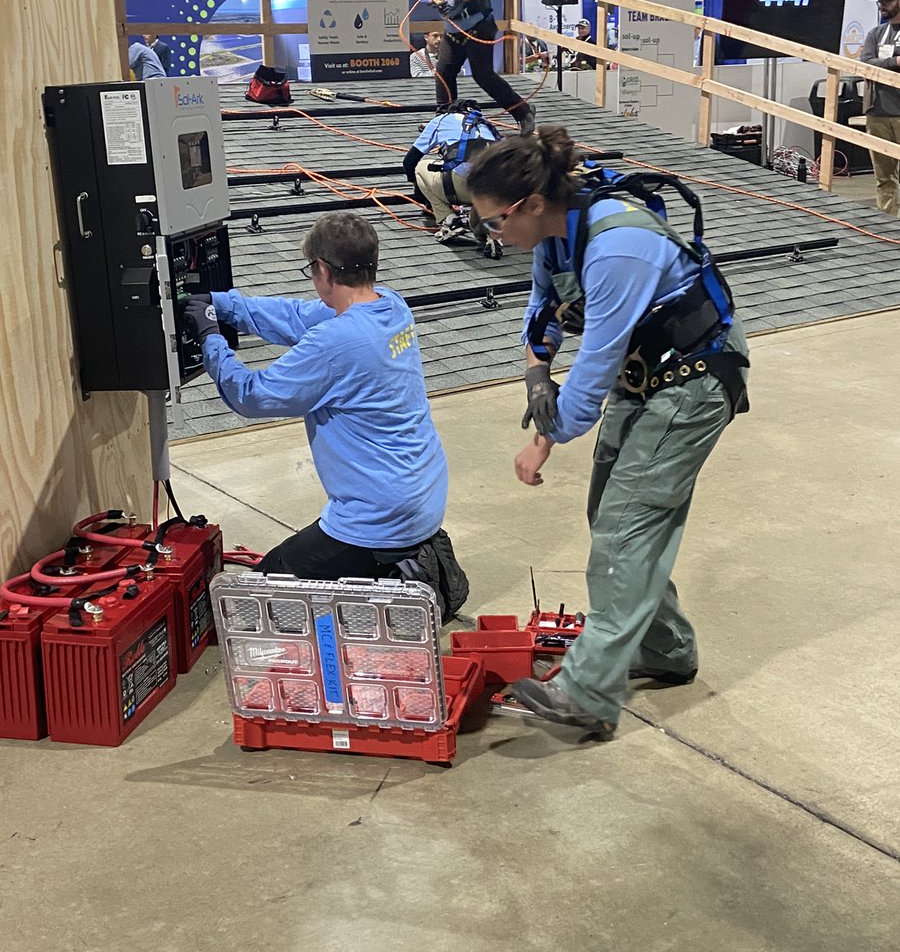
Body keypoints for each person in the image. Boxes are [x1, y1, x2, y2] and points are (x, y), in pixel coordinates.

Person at [466, 127, 750, 740]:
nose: (490, 234)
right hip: (644, 378)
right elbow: (541, 319)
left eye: (493, 222)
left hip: (693, 382)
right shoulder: (553, 237)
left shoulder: (619, 246)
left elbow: (589, 378)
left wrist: (550, 419)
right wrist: (538, 384)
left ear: (532, 204)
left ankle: (588, 693)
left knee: (627, 525)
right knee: (611, 515)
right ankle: (666, 650)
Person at [183, 213, 454, 590]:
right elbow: (298, 317)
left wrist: (212, 338)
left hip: (379, 518)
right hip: (423, 497)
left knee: (262, 590)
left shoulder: (336, 342)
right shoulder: (391, 306)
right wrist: (225, 306)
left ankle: (380, 572)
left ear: (323, 269)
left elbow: (252, 395)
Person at [425, 0, 535, 134]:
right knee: (444, 72)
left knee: (483, 75)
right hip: (453, 31)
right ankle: (443, 121)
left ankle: (523, 112)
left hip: (478, 28)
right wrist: (435, 1)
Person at [408, 103, 503, 255]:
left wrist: (421, 195)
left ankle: (449, 219)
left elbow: (409, 162)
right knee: (479, 216)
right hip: (495, 192)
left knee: (420, 167)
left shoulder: (442, 119)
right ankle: (492, 234)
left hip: (458, 186)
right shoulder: (487, 125)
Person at [860, 0, 900, 216]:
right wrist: (894, 62)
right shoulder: (875, 34)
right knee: (883, 176)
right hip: (877, 113)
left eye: (887, 1)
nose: (882, 5)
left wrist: (881, 64)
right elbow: (865, 63)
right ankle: (887, 224)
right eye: (880, 1)